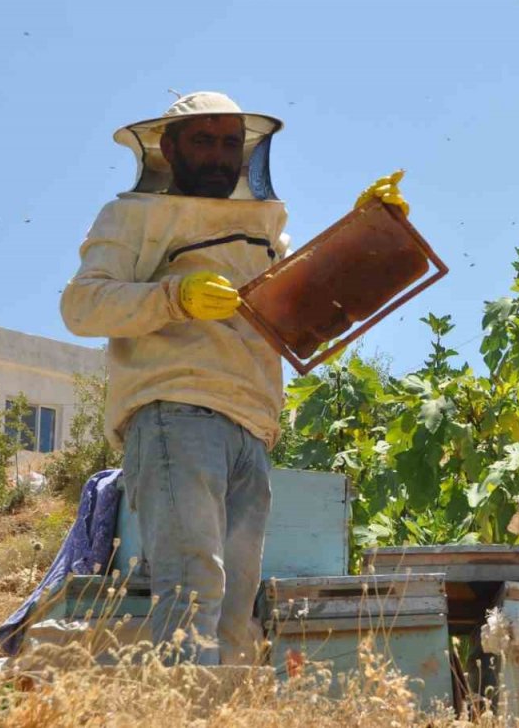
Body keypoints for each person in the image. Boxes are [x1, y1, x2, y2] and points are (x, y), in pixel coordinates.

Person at [60, 91, 404, 664]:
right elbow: (83, 306)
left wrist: (365, 231)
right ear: (168, 147)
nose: (220, 156)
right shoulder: (134, 216)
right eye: (203, 140)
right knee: (192, 589)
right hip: (176, 410)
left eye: (229, 143)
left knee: (236, 609)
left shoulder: (265, 228)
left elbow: (305, 301)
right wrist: (177, 297)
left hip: (253, 424)